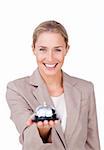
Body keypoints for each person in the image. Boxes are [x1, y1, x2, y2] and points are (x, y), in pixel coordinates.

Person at [6, 20, 100, 150]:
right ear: (33, 49)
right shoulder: (17, 89)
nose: (50, 58)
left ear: (67, 49)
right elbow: (28, 140)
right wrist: (42, 131)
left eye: (57, 50)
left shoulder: (85, 89)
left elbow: (92, 143)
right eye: (43, 49)